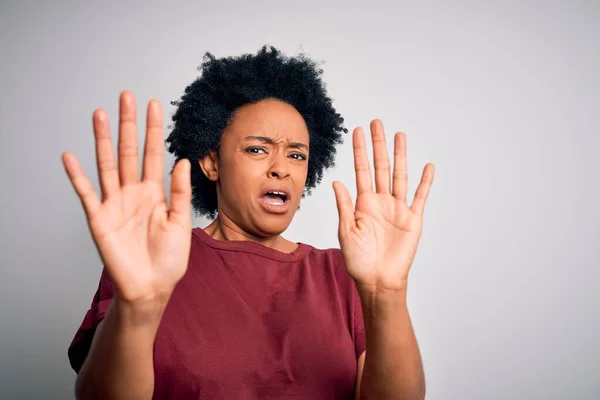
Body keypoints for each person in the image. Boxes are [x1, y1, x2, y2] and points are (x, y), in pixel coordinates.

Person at [63, 45, 434, 400]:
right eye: (257, 149)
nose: (281, 168)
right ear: (211, 163)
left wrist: (386, 294)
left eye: (296, 155)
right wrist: (138, 308)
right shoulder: (153, 259)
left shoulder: (344, 274)